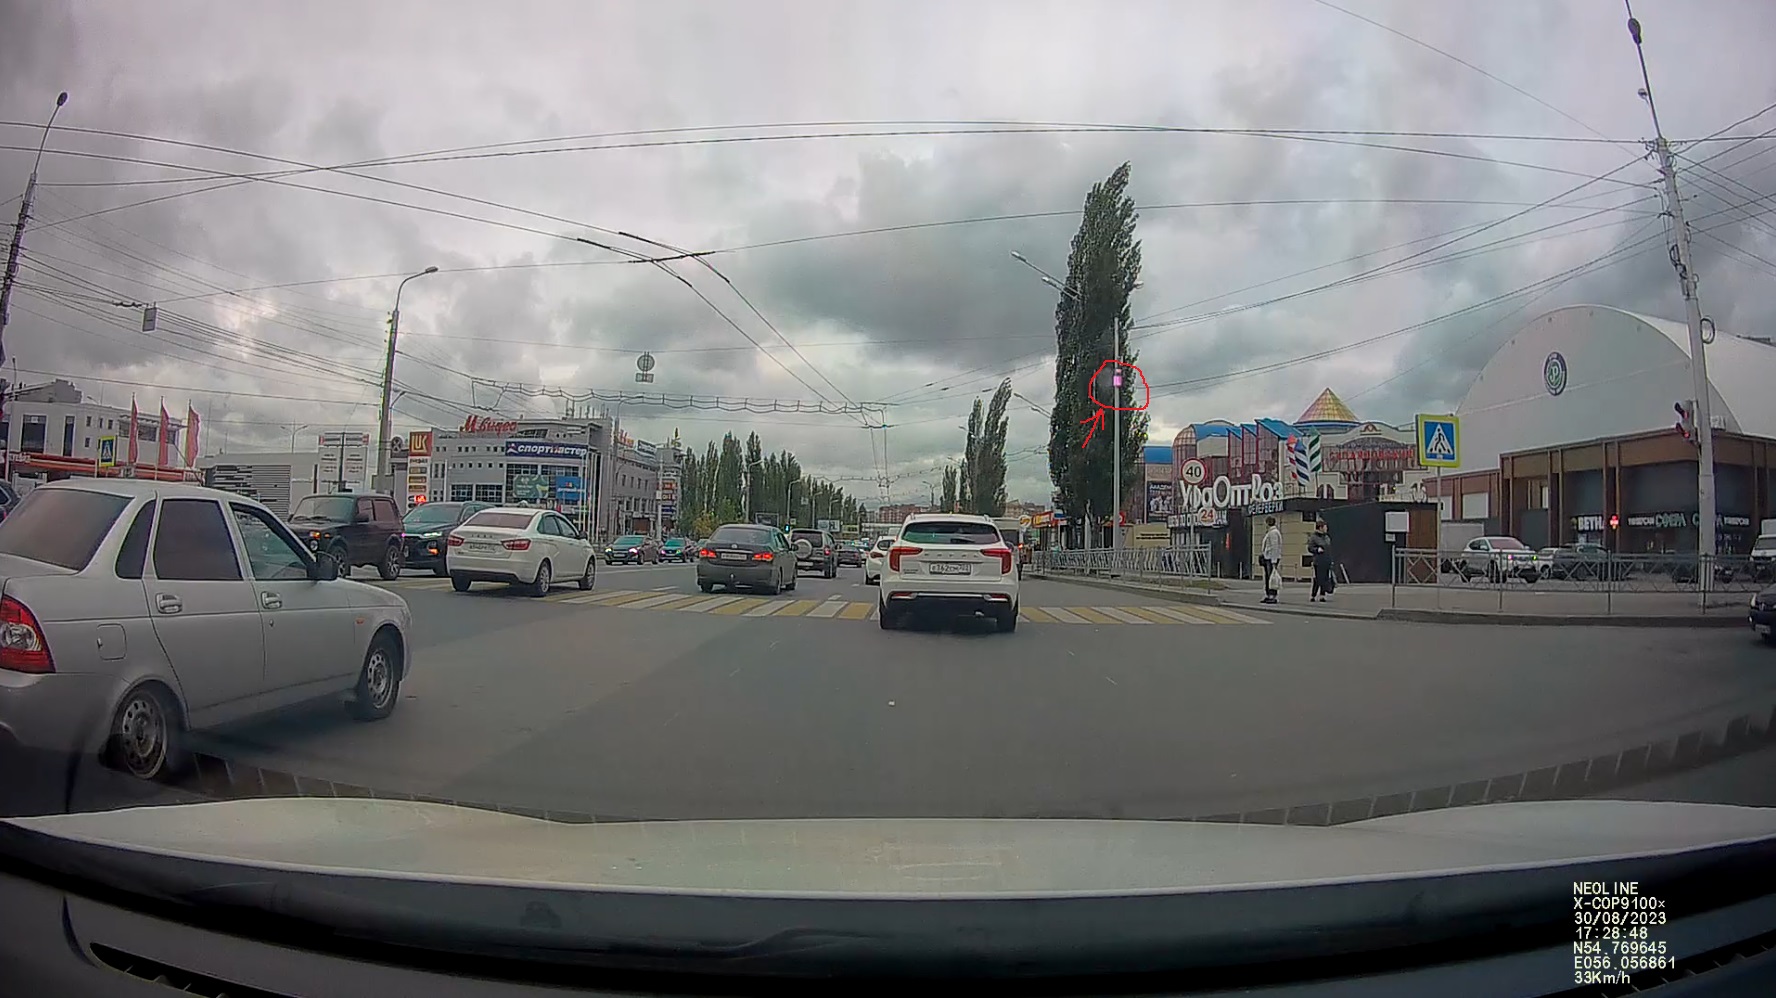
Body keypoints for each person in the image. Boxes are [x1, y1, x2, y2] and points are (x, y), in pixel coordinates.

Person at [1259, 516, 1283, 604]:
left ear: (1268, 523)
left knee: (1271, 577)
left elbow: (1274, 547)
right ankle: (1268, 594)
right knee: (1268, 577)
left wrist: (1274, 561)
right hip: (1268, 557)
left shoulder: (1273, 533)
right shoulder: (1270, 532)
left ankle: (1272, 595)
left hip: (1271, 558)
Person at [1309, 519, 1334, 602]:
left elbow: (1329, 549)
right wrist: (1317, 550)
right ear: (1320, 527)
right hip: (1318, 561)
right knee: (1318, 578)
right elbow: (1310, 548)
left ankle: (1322, 595)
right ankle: (1313, 594)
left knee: (1325, 578)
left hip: (1326, 560)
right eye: (1325, 527)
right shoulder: (1314, 537)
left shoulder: (1326, 537)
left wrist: (1330, 560)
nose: (1326, 528)